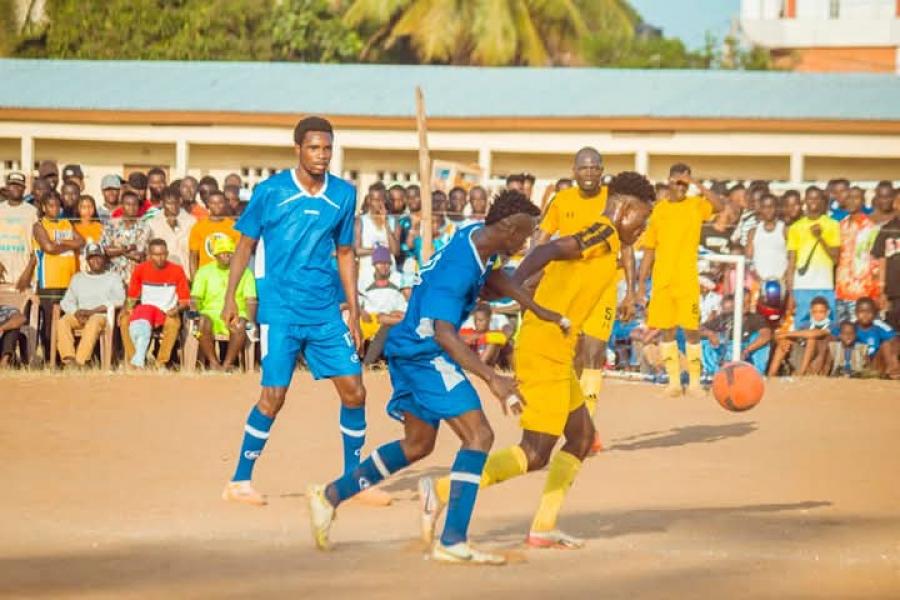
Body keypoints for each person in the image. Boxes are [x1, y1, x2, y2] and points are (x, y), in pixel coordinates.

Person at [306, 190, 565, 564]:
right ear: (507, 228)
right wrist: (493, 379)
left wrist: (536, 308)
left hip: (408, 347)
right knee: (480, 435)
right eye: (523, 235)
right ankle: (453, 540)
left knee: (417, 444)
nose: (525, 243)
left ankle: (328, 496)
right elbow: (445, 332)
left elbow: (494, 279)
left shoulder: (478, 235)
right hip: (425, 353)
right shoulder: (459, 269)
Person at [422, 172, 655, 553]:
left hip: (558, 351)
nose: (642, 229)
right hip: (542, 350)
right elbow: (547, 250)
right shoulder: (602, 233)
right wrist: (514, 285)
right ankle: (441, 489)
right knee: (535, 453)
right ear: (625, 209)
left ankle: (543, 528)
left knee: (580, 438)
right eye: (641, 220)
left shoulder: (609, 242)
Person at [220, 116, 388, 508]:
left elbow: (345, 253)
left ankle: (355, 480)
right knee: (273, 396)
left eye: (327, 148)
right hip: (280, 311)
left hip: (326, 312)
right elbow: (245, 246)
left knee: (355, 391)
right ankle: (239, 481)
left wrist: (355, 309)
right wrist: (231, 297)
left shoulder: (344, 194)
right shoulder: (271, 191)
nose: (322, 155)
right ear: (298, 149)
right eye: (314, 148)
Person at [535, 147, 633, 451]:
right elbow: (542, 238)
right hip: (567, 287)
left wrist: (632, 290)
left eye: (594, 168)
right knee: (571, 356)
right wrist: (530, 271)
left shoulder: (613, 201)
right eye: (584, 168)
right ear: (573, 170)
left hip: (603, 286)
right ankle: (570, 419)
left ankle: (585, 432)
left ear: (602, 171)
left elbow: (626, 245)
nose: (589, 173)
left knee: (593, 351)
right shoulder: (561, 201)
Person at [638, 163, 724, 397]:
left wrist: (695, 184)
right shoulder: (659, 210)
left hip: (687, 280)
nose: (681, 187)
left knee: (692, 329)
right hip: (663, 280)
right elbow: (648, 250)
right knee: (666, 330)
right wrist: (639, 285)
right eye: (677, 181)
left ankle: (695, 383)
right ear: (668, 181)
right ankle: (674, 382)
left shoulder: (696, 205)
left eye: (684, 182)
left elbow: (720, 205)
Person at [120, 238, 190, 368]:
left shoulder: (177, 270)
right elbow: (133, 296)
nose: (160, 258)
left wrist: (177, 309)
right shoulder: (140, 269)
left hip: (167, 312)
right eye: (156, 255)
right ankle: (135, 360)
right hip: (146, 313)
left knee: (173, 323)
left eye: (163, 254)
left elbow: (185, 301)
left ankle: (161, 362)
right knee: (124, 320)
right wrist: (128, 309)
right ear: (149, 255)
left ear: (167, 253)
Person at [191, 236, 256, 371]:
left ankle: (227, 364)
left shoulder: (245, 272)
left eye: (230, 252)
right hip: (210, 314)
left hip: (236, 314)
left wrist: (251, 320)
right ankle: (213, 363)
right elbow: (195, 298)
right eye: (223, 252)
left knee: (240, 324)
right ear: (215, 255)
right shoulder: (204, 271)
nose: (227, 255)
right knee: (202, 323)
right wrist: (195, 315)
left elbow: (250, 299)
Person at [30, 194, 83, 354]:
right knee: (49, 323)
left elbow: (81, 241)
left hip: (69, 282)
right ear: (44, 208)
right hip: (49, 282)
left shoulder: (66, 223)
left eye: (57, 206)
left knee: (67, 321)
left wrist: (59, 242)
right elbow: (48, 248)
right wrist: (69, 244)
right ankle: (49, 358)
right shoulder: (39, 225)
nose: (55, 209)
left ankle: (65, 356)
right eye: (51, 206)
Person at [57, 244, 125, 367]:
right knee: (63, 321)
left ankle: (80, 361)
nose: (95, 261)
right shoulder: (78, 278)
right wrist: (76, 312)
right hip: (80, 316)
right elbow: (66, 302)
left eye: (98, 257)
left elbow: (119, 299)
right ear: (87, 260)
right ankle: (68, 359)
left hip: (101, 317)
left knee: (94, 321)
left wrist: (93, 311)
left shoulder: (113, 277)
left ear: (104, 258)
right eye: (92, 257)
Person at [785, 186, 840, 324]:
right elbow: (792, 262)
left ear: (822, 201)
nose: (813, 202)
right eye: (810, 198)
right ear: (805, 201)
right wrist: (791, 293)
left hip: (825, 285)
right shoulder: (795, 227)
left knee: (828, 328)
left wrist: (820, 237)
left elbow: (835, 258)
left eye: (817, 198)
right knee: (802, 326)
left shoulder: (832, 224)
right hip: (802, 286)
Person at [835, 187, 880, 323]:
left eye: (856, 197)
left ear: (863, 201)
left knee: (860, 336)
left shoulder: (871, 228)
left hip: (863, 293)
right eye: (849, 197)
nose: (852, 201)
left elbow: (876, 262)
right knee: (841, 335)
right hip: (841, 292)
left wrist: (876, 293)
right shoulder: (840, 226)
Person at [700, 290, 772, 376]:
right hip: (725, 351)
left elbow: (766, 335)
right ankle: (712, 373)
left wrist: (746, 350)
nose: (746, 305)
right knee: (704, 342)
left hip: (746, 351)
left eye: (748, 302)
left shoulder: (755, 318)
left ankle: (755, 374)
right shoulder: (725, 317)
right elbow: (699, 329)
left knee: (759, 340)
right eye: (742, 302)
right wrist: (709, 334)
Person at [359, 245, 407, 366]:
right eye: (380, 263)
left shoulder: (398, 280)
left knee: (387, 325)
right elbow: (356, 299)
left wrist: (392, 315)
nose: (384, 267)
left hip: (389, 319)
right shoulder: (364, 280)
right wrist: (360, 310)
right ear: (374, 265)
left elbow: (404, 307)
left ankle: (367, 364)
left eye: (387, 264)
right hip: (369, 319)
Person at [768, 295, 837, 377]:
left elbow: (814, 333)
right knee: (785, 342)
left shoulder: (833, 325)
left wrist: (786, 334)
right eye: (815, 312)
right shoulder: (805, 325)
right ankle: (771, 375)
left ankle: (802, 373)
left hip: (820, 363)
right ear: (811, 312)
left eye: (821, 312)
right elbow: (778, 336)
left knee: (811, 338)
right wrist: (783, 340)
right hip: (804, 358)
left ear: (827, 312)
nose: (818, 315)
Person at [102, 191, 152, 286]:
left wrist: (116, 250)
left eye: (135, 204)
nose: (132, 208)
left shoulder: (145, 227)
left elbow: (138, 255)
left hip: (135, 279)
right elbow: (106, 250)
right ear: (121, 205)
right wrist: (127, 249)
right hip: (113, 278)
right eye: (128, 204)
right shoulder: (111, 224)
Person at [354, 183, 399, 290]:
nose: (378, 203)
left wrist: (386, 223)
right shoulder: (360, 221)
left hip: (390, 272)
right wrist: (379, 251)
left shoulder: (393, 221)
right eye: (375, 200)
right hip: (368, 273)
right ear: (369, 200)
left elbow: (396, 251)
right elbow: (357, 250)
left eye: (381, 200)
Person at [0, 172, 39, 292]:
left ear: (24, 189)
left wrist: (28, 273)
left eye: (19, 185)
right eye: (12, 185)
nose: (16, 188)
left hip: (24, 278)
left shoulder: (32, 212)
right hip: (2, 277)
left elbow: (37, 247)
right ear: (7, 187)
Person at [188, 190, 238, 278]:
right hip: (205, 278)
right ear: (207, 204)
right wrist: (195, 281)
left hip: (226, 277)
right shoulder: (198, 226)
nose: (217, 206)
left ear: (226, 203)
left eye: (220, 203)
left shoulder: (234, 226)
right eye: (213, 203)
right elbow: (193, 257)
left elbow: (238, 256)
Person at [148, 186, 196, 275]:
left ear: (180, 201)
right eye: (169, 203)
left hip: (185, 274)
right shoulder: (153, 223)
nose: (173, 206)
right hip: (161, 274)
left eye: (175, 202)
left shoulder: (191, 222)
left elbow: (194, 253)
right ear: (162, 203)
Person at [852, 296, 899, 379]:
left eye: (869, 312)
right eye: (862, 312)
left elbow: (895, 339)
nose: (865, 315)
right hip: (858, 363)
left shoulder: (878, 326)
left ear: (875, 314)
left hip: (876, 363)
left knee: (886, 344)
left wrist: (893, 357)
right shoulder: (851, 327)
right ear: (856, 313)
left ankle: (892, 370)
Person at [747, 193, 788, 283]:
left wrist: (784, 277)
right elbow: (749, 259)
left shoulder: (784, 229)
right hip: (759, 282)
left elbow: (791, 256)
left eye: (771, 207)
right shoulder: (753, 232)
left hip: (781, 281)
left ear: (776, 208)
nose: (768, 210)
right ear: (761, 209)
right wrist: (757, 278)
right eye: (765, 207)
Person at [871, 209, 900, 330]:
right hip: (893, 291)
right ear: (896, 205)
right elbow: (880, 260)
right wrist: (881, 290)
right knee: (892, 329)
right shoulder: (887, 229)